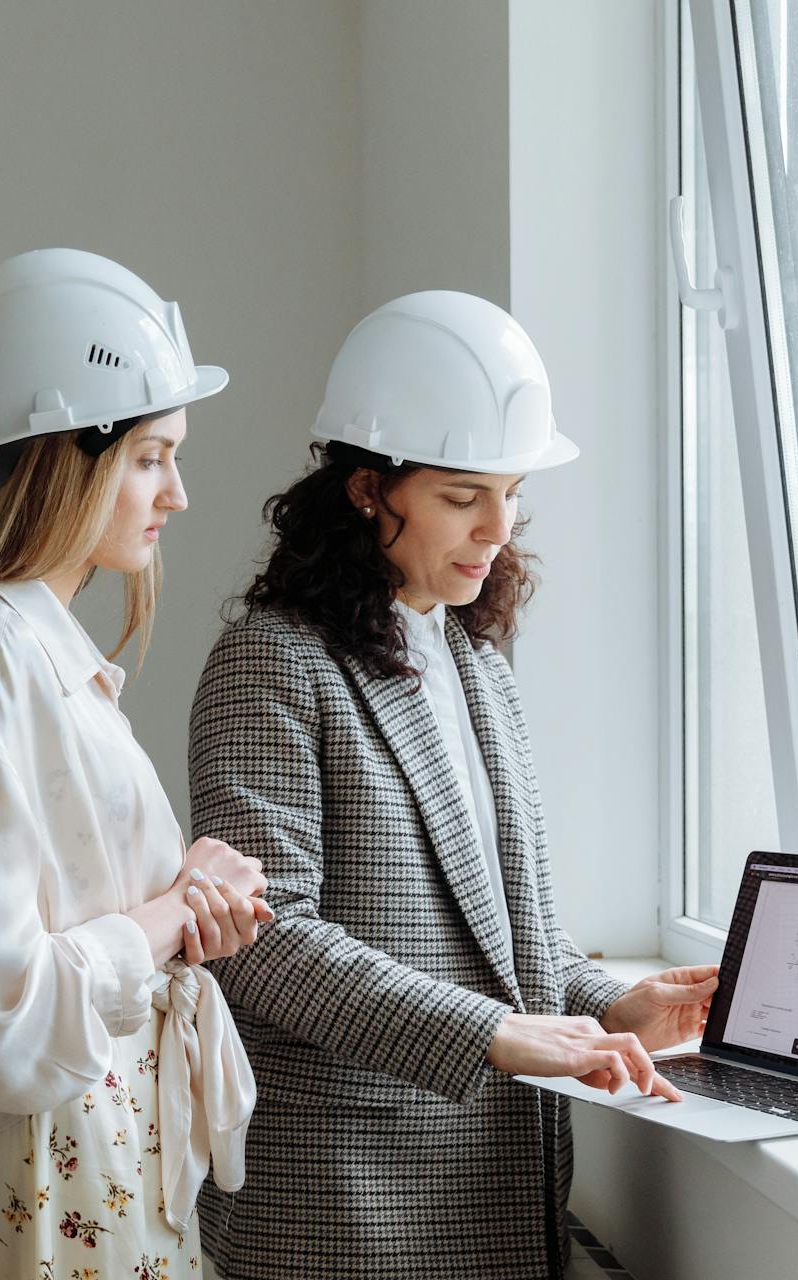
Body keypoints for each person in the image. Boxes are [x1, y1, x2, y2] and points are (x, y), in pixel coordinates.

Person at [187, 292, 719, 1279]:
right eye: (463, 496)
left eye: (512, 492)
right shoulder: (271, 661)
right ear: (364, 488)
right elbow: (261, 941)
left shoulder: (473, 659)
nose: (497, 527)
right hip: (342, 1211)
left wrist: (612, 1005)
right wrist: (502, 1034)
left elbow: (511, 934)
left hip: (493, 1197)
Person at [0, 248, 268, 1278]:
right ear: (65, 456)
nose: (176, 491)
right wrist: (174, 914)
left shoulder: (17, 647)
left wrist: (178, 893)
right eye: (149, 455)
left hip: (95, 1159)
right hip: (43, 1179)